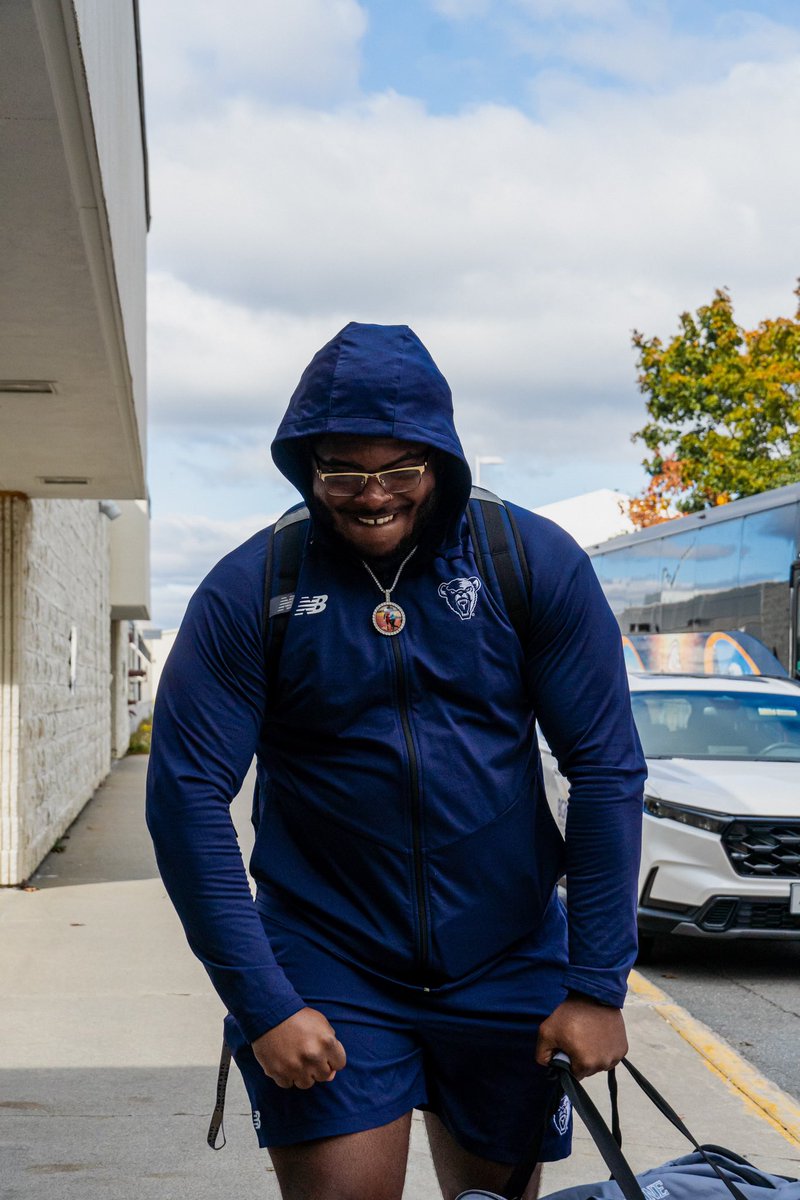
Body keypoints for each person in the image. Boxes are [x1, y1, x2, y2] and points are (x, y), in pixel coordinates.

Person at [146, 322, 645, 1200]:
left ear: (441, 462)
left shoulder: (528, 564)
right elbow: (185, 797)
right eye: (342, 470)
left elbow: (606, 769)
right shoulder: (251, 588)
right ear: (306, 465)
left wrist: (596, 984)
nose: (372, 496)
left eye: (400, 471)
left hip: (506, 956)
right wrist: (263, 1000)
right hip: (329, 962)